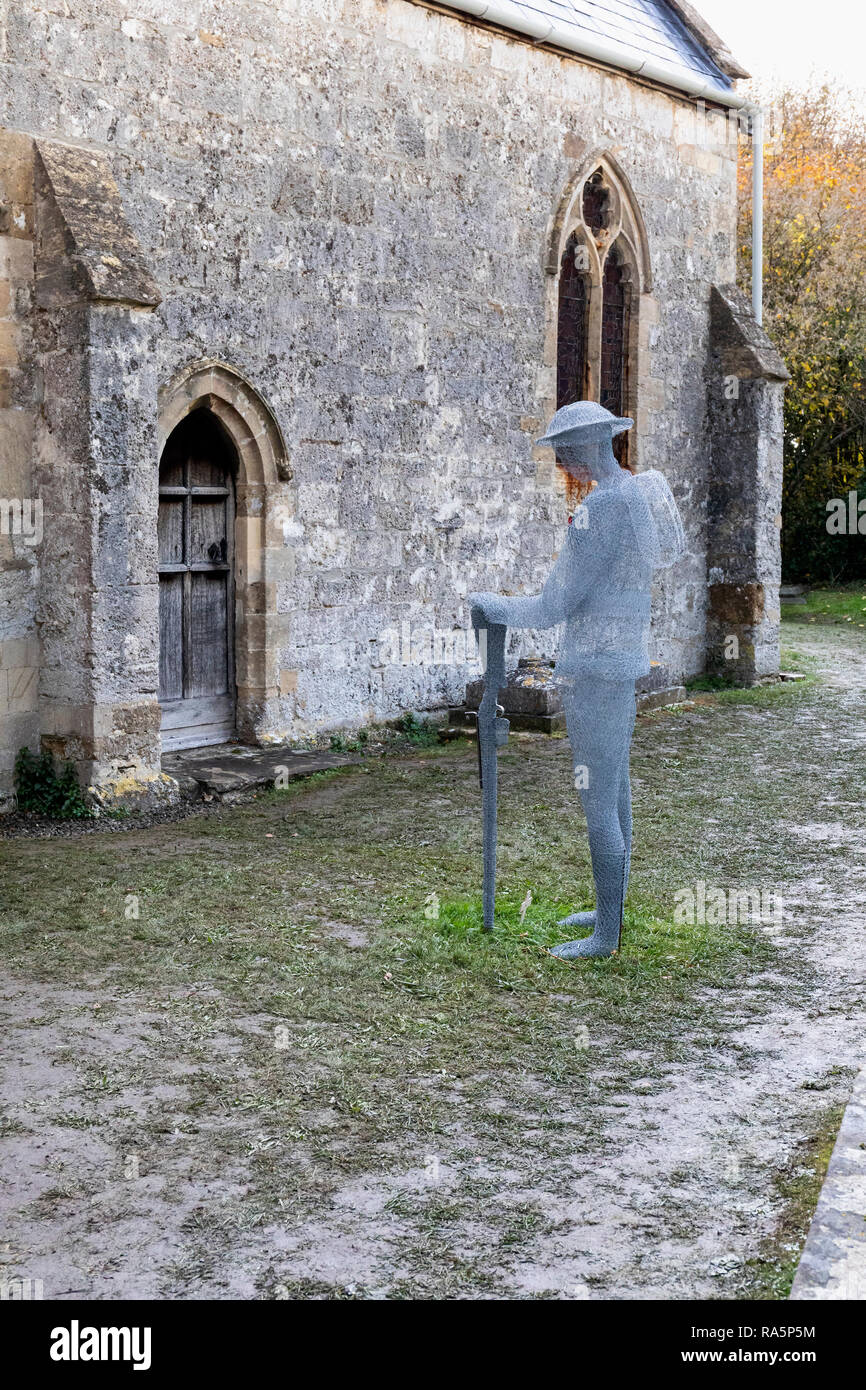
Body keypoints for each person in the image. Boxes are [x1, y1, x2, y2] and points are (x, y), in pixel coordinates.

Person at [469, 401, 685, 958]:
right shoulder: (634, 492)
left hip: (595, 668)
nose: (562, 465)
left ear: (588, 447)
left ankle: (606, 935)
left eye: (564, 454)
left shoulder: (603, 508)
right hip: (620, 662)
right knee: (614, 790)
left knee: (597, 797)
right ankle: (607, 907)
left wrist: (493, 604)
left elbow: (553, 605)